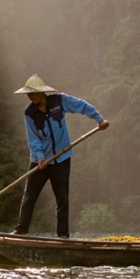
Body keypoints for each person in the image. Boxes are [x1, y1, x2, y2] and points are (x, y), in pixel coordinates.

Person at [11, 75, 110, 238]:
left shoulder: (60, 101)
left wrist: (99, 119)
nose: (30, 97)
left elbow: (81, 106)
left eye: (33, 93)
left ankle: (63, 234)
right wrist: (40, 157)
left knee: (62, 197)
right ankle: (21, 229)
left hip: (61, 159)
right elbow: (33, 138)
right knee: (30, 195)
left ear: (42, 92)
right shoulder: (29, 113)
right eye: (28, 94)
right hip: (39, 161)